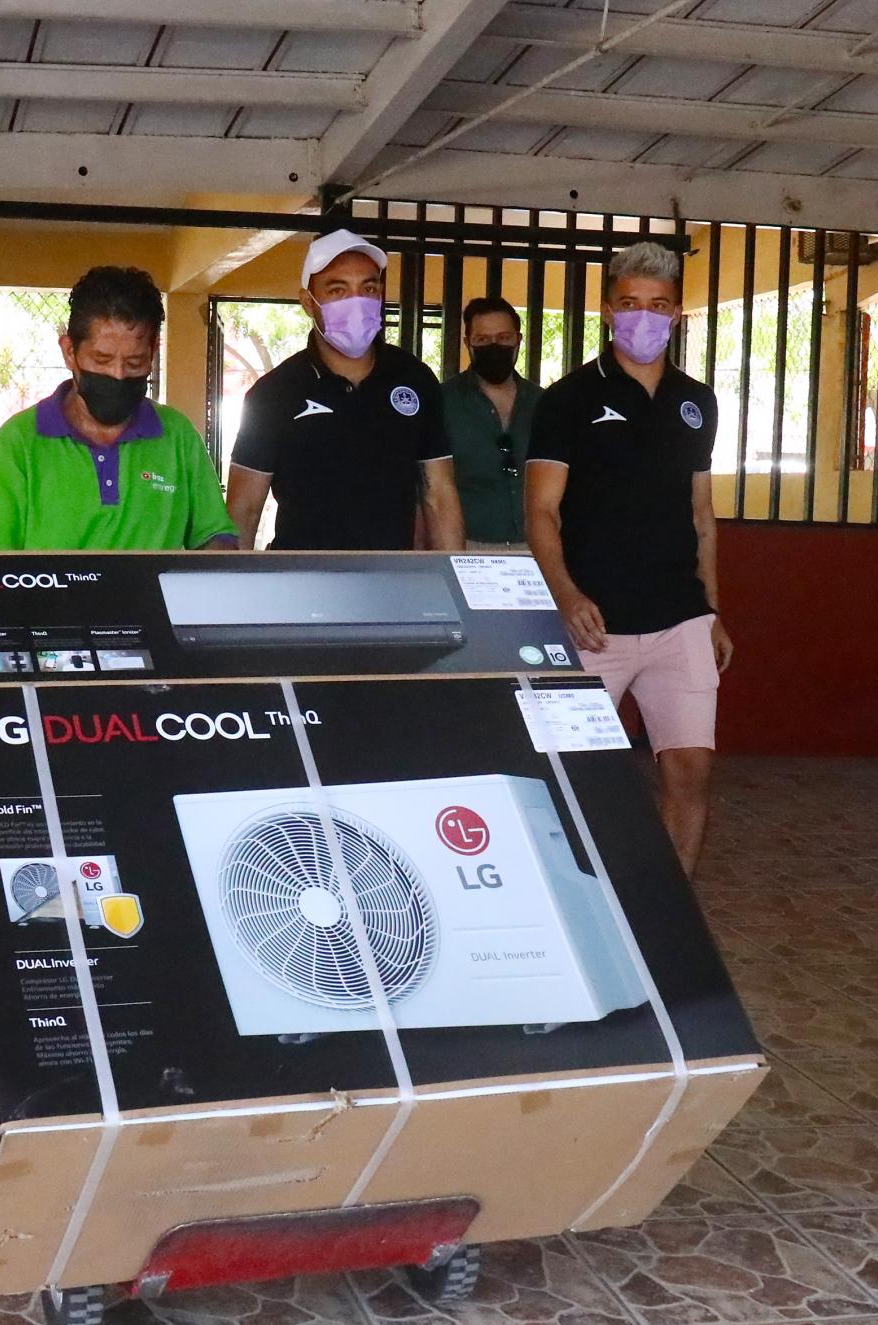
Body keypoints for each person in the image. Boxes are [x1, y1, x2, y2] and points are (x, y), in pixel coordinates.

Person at [525, 241, 733, 876]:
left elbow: (702, 514)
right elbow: (540, 512)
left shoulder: (697, 402)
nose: (645, 316)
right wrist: (566, 596)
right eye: (631, 303)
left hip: (679, 620)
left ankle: (671, 913)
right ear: (608, 309)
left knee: (691, 771)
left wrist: (712, 611)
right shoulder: (568, 399)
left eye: (659, 305)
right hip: (594, 624)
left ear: (677, 312)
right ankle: (572, 902)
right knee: (568, 776)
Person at [0, 266, 237, 551]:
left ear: (153, 353)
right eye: (102, 360)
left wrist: (215, 560)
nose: (118, 375)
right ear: (70, 352)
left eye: (134, 363)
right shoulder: (19, 444)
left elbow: (215, 536)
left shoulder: (177, 436)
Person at [224, 228, 464, 551]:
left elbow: (439, 495)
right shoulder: (274, 394)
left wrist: (454, 573)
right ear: (308, 302)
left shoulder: (415, 379)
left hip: (391, 575)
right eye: (338, 290)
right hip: (302, 576)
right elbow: (244, 510)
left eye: (368, 288)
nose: (356, 302)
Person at [442, 298, 540, 551]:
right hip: (467, 547)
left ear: (518, 340)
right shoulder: (442, 402)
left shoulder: (544, 403)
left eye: (503, 338)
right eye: (483, 340)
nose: (494, 347)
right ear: (468, 343)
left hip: (537, 547)